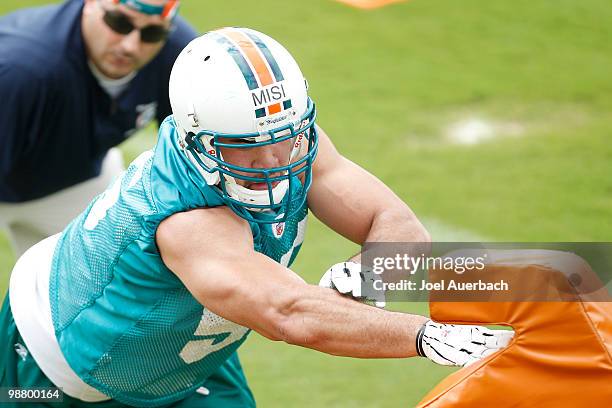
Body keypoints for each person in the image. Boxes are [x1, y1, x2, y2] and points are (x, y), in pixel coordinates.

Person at [0, 28, 514, 407]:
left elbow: (392, 220)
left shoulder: (284, 137)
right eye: (246, 148)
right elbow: (289, 313)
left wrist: (376, 271)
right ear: (198, 139)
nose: (274, 162)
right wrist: (425, 336)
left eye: (281, 139)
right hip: (62, 363)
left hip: (181, 351)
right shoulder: (186, 219)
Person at [0, 0, 197, 256]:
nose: (130, 46)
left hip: (74, 178)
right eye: (119, 22)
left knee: (118, 267)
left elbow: (189, 160)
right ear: (91, 4)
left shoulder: (180, 56)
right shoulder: (22, 70)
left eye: (152, 34)